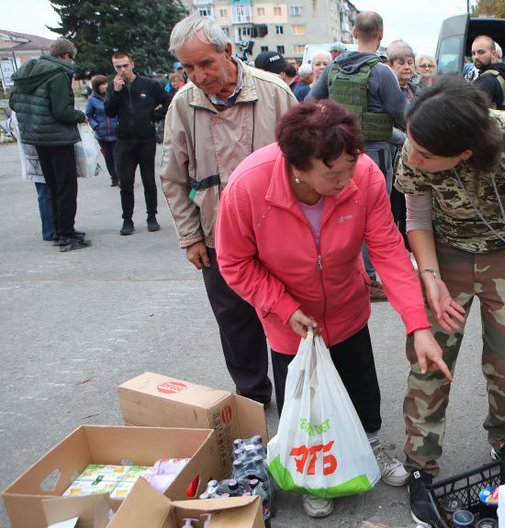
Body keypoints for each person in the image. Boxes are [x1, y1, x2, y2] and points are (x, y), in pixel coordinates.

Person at [215, 100, 445, 518]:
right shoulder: (249, 186)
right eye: (333, 173)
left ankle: (370, 448)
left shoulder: (365, 176)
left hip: (346, 306)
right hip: (289, 320)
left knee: (361, 389)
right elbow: (234, 262)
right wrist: (283, 308)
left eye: (350, 167)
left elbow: (389, 250)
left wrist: (418, 324)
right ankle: (313, 473)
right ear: (298, 166)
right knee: (306, 404)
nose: (346, 180)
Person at [395, 78, 505, 525]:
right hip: (445, 251)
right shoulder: (420, 137)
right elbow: (415, 213)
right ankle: (420, 465)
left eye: (425, 157)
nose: (412, 159)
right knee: (430, 360)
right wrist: (429, 277)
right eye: (412, 148)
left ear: (466, 153)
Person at [160, 15, 297, 407]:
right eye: (187, 67)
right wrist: (190, 237)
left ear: (228, 52)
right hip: (217, 234)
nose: (197, 76)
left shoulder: (275, 92)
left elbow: (307, 155)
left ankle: (295, 398)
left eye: (205, 63)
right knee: (235, 322)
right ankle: (253, 398)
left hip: (279, 231)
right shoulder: (183, 105)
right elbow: (173, 176)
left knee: (285, 313)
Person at [308, 11, 408, 301]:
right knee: (374, 216)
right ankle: (369, 277)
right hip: (376, 154)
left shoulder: (334, 67)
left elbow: (309, 104)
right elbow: (403, 114)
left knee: (341, 214)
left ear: (353, 33)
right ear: (380, 34)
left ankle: (344, 274)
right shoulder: (381, 71)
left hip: (338, 154)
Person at [9, 37, 90, 252]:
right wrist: (80, 115)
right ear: (65, 56)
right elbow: (62, 111)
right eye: (71, 58)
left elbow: (13, 103)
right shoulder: (58, 74)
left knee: (53, 186)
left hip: (36, 138)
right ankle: (66, 235)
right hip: (57, 138)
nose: (72, 63)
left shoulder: (28, 71)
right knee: (66, 188)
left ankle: (59, 230)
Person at [105, 51, 173, 235]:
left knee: (149, 181)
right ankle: (127, 220)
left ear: (132, 64)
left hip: (145, 139)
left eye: (125, 65)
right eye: (118, 67)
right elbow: (109, 112)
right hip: (125, 141)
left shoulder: (149, 85)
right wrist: (116, 93)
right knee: (125, 183)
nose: (122, 70)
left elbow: (169, 101)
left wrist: (154, 116)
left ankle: (152, 216)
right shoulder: (114, 87)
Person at [10, 111, 55, 241]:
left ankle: (51, 229)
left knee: (45, 192)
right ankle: (52, 230)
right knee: (47, 192)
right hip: (41, 151)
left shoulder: (17, 107)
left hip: (32, 154)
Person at [84, 74, 120, 187]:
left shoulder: (112, 95)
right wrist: (96, 126)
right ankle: (113, 177)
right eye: (101, 84)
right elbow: (89, 115)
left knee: (117, 156)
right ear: (96, 86)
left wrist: (120, 122)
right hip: (102, 134)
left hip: (116, 132)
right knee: (108, 157)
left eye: (105, 83)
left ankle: (120, 178)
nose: (104, 86)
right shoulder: (92, 99)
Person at [471, 35, 505, 110]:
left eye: (481, 52)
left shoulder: (486, 79)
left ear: (494, 54)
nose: (476, 57)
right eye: (473, 53)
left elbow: (470, 111)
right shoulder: (502, 74)